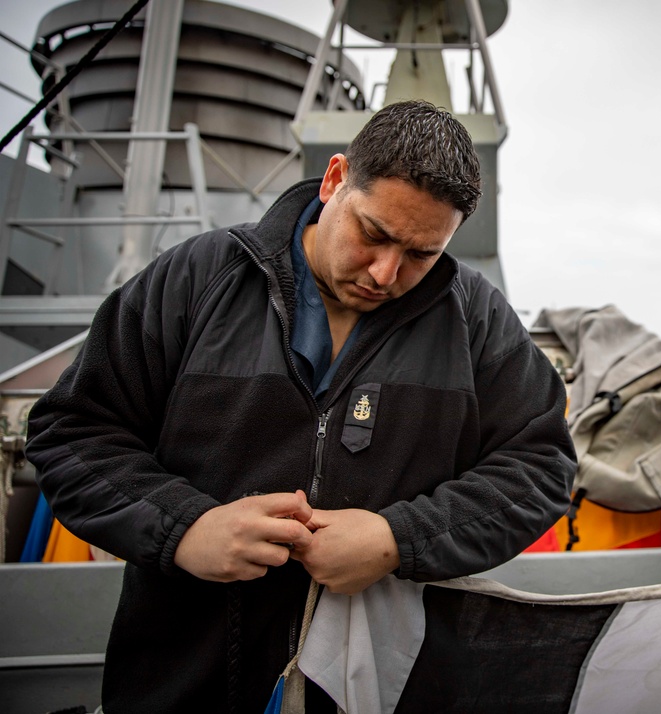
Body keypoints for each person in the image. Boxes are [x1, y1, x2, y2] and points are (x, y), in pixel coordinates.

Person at [26, 100, 576, 713]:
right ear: (335, 178)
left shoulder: (475, 318)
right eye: (373, 234)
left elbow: (540, 468)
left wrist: (400, 537)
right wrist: (186, 529)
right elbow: (72, 431)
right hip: (185, 680)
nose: (386, 272)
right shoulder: (197, 278)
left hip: (385, 689)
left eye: (421, 253)